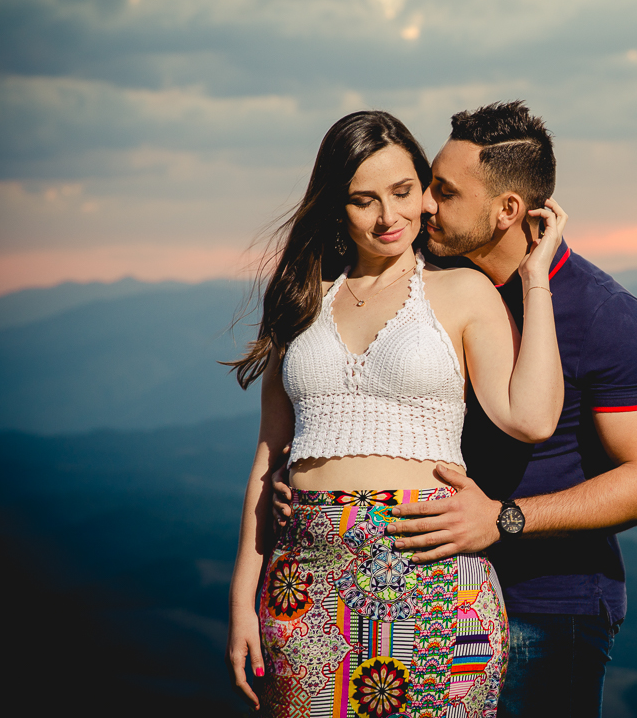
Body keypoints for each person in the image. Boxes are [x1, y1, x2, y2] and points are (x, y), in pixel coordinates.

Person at [274, 101, 637, 717]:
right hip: (414, 578)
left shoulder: (605, 315)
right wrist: (303, 476)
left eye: (443, 191)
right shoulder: (429, 282)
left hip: (547, 608)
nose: (425, 206)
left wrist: (505, 519)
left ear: (508, 211)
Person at [224, 110, 568, 718]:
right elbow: (269, 454)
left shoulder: (462, 292)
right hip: (306, 576)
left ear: (425, 190)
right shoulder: (303, 299)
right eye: (364, 200)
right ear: (337, 206)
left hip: (431, 573)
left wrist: (535, 278)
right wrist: (241, 599)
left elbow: (531, 417)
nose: (389, 217)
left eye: (404, 192)